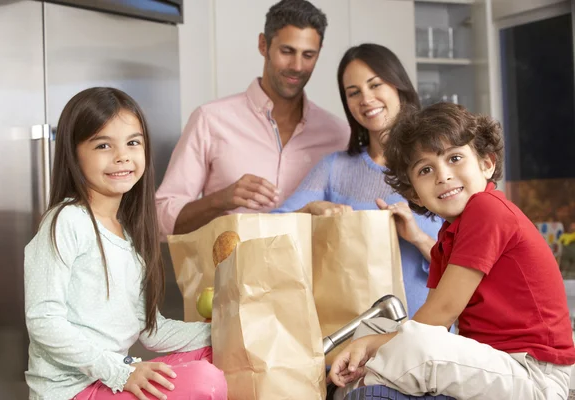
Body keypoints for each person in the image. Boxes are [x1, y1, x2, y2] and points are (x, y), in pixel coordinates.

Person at [329, 103, 575, 400]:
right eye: (426, 169)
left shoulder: (487, 209)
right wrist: (372, 342)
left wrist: (372, 347)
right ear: (413, 194)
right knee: (392, 333)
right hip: (498, 366)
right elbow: (432, 324)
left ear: (487, 163)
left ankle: (356, 382)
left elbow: (439, 316)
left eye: (454, 158)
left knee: (410, 341)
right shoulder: (447, 238)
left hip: (534, 375)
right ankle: (363, 383)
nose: (443, 176)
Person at [24, 87, 227, 400]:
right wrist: (120, 370)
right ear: (74, 153)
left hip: (110, 377)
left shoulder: (129, 234)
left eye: (133, 142)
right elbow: (44, 322)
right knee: (205, 381)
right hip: (71, 391)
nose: (122, 156)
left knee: (223, 354)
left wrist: (230, 328)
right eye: (103, 145)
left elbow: (151, 330)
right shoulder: (66, 221)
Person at [273, 43, 442, 318]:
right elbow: (269, 228)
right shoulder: (334, 168)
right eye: (354, 93)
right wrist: (309, 210)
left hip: (426, 340)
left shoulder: (437, 165)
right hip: (352, 343)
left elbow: (467, 266)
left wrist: (419, 238)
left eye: (375, 85)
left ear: (398, 86)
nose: (366, 99)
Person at [155, 0, 349, 238]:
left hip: (316, 274)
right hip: (231, 273)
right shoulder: (210, 120)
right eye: (287, 51)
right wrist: (221, 199)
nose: (297, 66)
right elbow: (161, 217)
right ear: (263, 45)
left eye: (308, 55)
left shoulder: (338, 134)